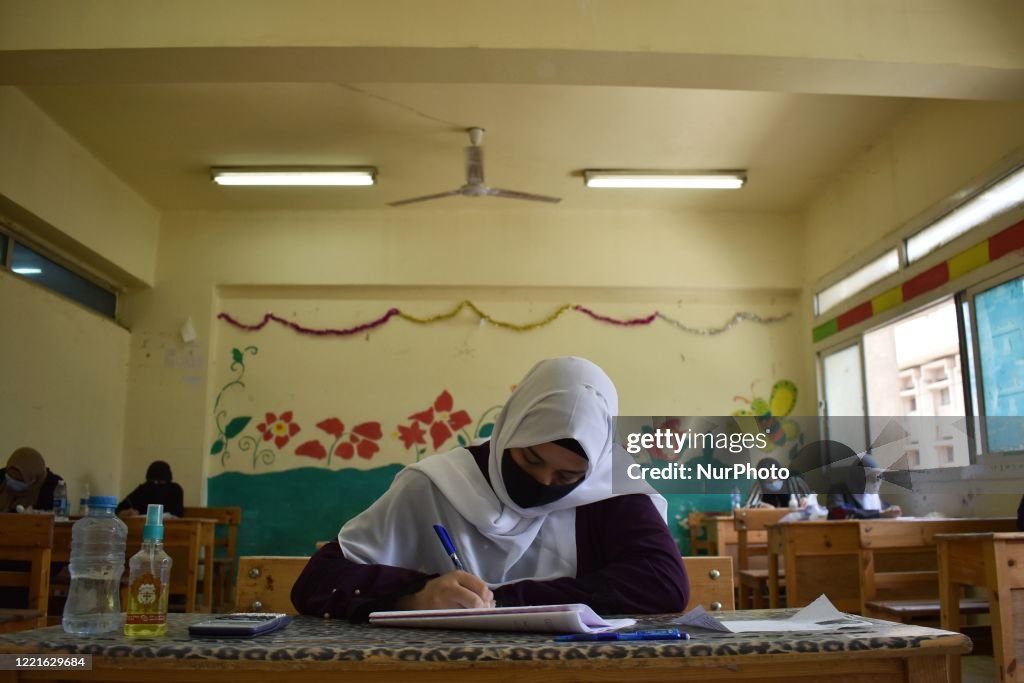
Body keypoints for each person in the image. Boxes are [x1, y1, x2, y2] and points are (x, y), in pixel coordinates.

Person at [291, 356, 690, 622]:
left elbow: (664, 585)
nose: (543, 482)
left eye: (567, 478)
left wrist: (500, 602)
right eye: (531, 460)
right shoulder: (437, 485)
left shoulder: (611, 490)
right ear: (508, 431)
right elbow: (316, 581)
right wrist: (415, 596)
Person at [827, 453, 901, 519]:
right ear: (859, 479)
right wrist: (879, 514)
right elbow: (838, 512)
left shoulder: (871, 493)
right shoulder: (837, 490)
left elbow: (878, 508)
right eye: (872, 479)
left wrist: (890, 509)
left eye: (879, 479)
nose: (876, 484)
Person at [0, 447, 62, 513]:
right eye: (9, 476)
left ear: (33, 480)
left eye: (19, 480)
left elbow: (54, 516)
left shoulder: (53, 486)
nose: (12, 481)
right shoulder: (1, 475)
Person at [116, 460, 184, 519]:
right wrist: (127, 512)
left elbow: (178, 515)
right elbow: (120, 509)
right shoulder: (143, 489)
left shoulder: (175, 489)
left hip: (171, 528)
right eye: (153, 482)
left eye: (160, 482)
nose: (156, 485)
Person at [744, 456, 811, 508]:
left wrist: (806, 500)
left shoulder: (796, 482)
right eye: (768, 483)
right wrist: (759, 506)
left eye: (774, 480)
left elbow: (814, 500)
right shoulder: (758, 485)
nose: (772, 484)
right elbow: (748, 505)